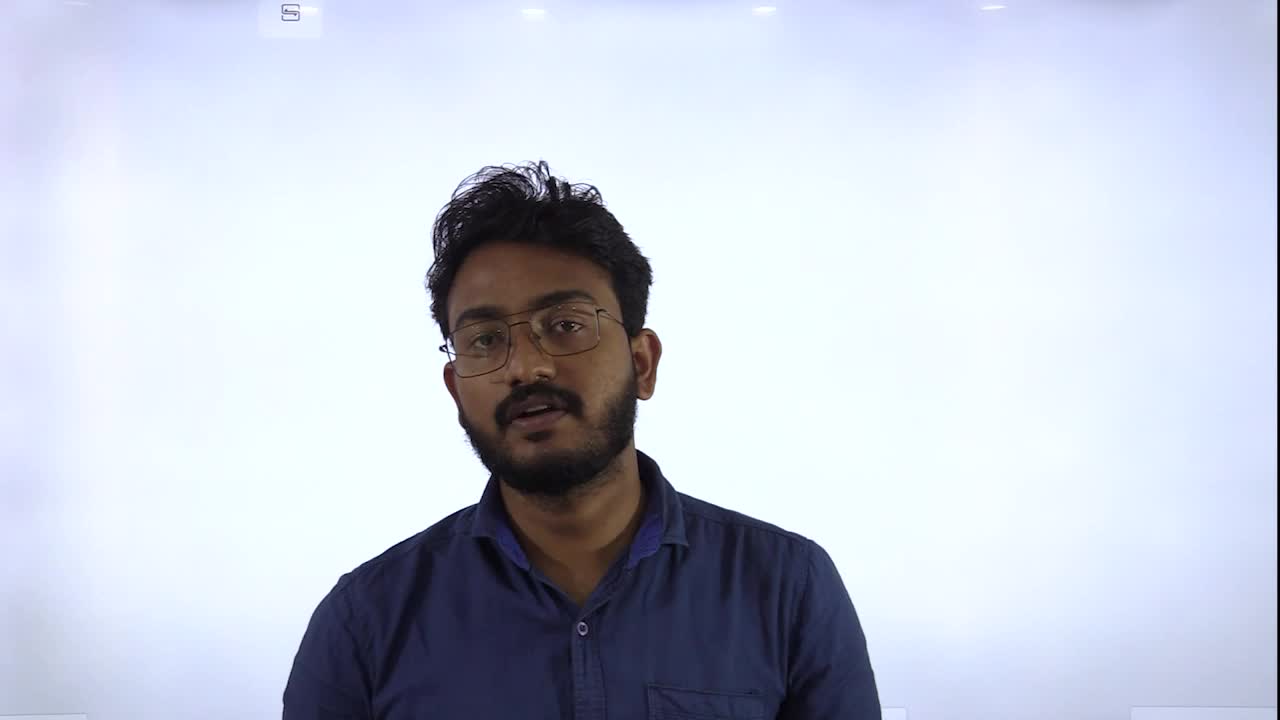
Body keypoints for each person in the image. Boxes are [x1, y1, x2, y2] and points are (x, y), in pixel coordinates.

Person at [282, 161, 882, 719]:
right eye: (485, 340)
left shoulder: (788, 590)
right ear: (455, 389)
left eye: (565, 325)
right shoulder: (364, 624)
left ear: (642, 363)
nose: (526, 367)